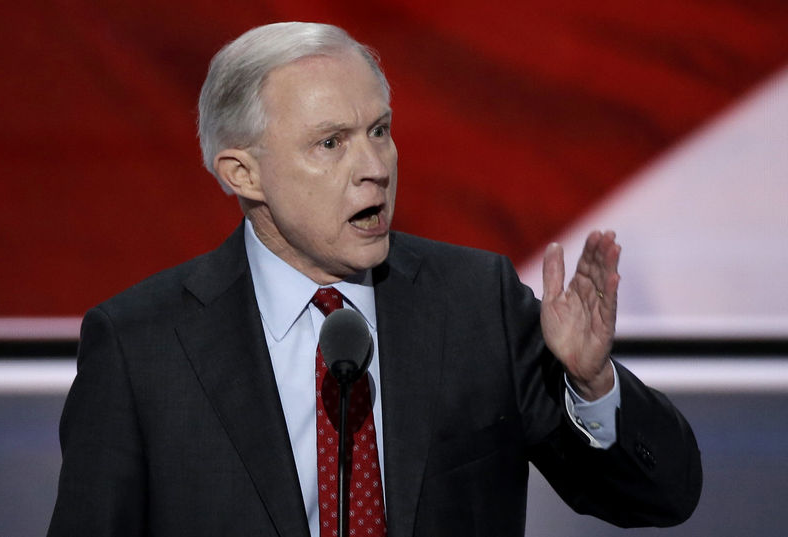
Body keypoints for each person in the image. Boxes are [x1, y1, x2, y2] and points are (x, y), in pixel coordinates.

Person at [48, 22, 701, 537]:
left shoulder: (476, 304)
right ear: (242, 173)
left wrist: (592, 385)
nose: (375, 167)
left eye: (380, 131)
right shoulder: (141, 344)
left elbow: (664, 496)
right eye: (330, 143)